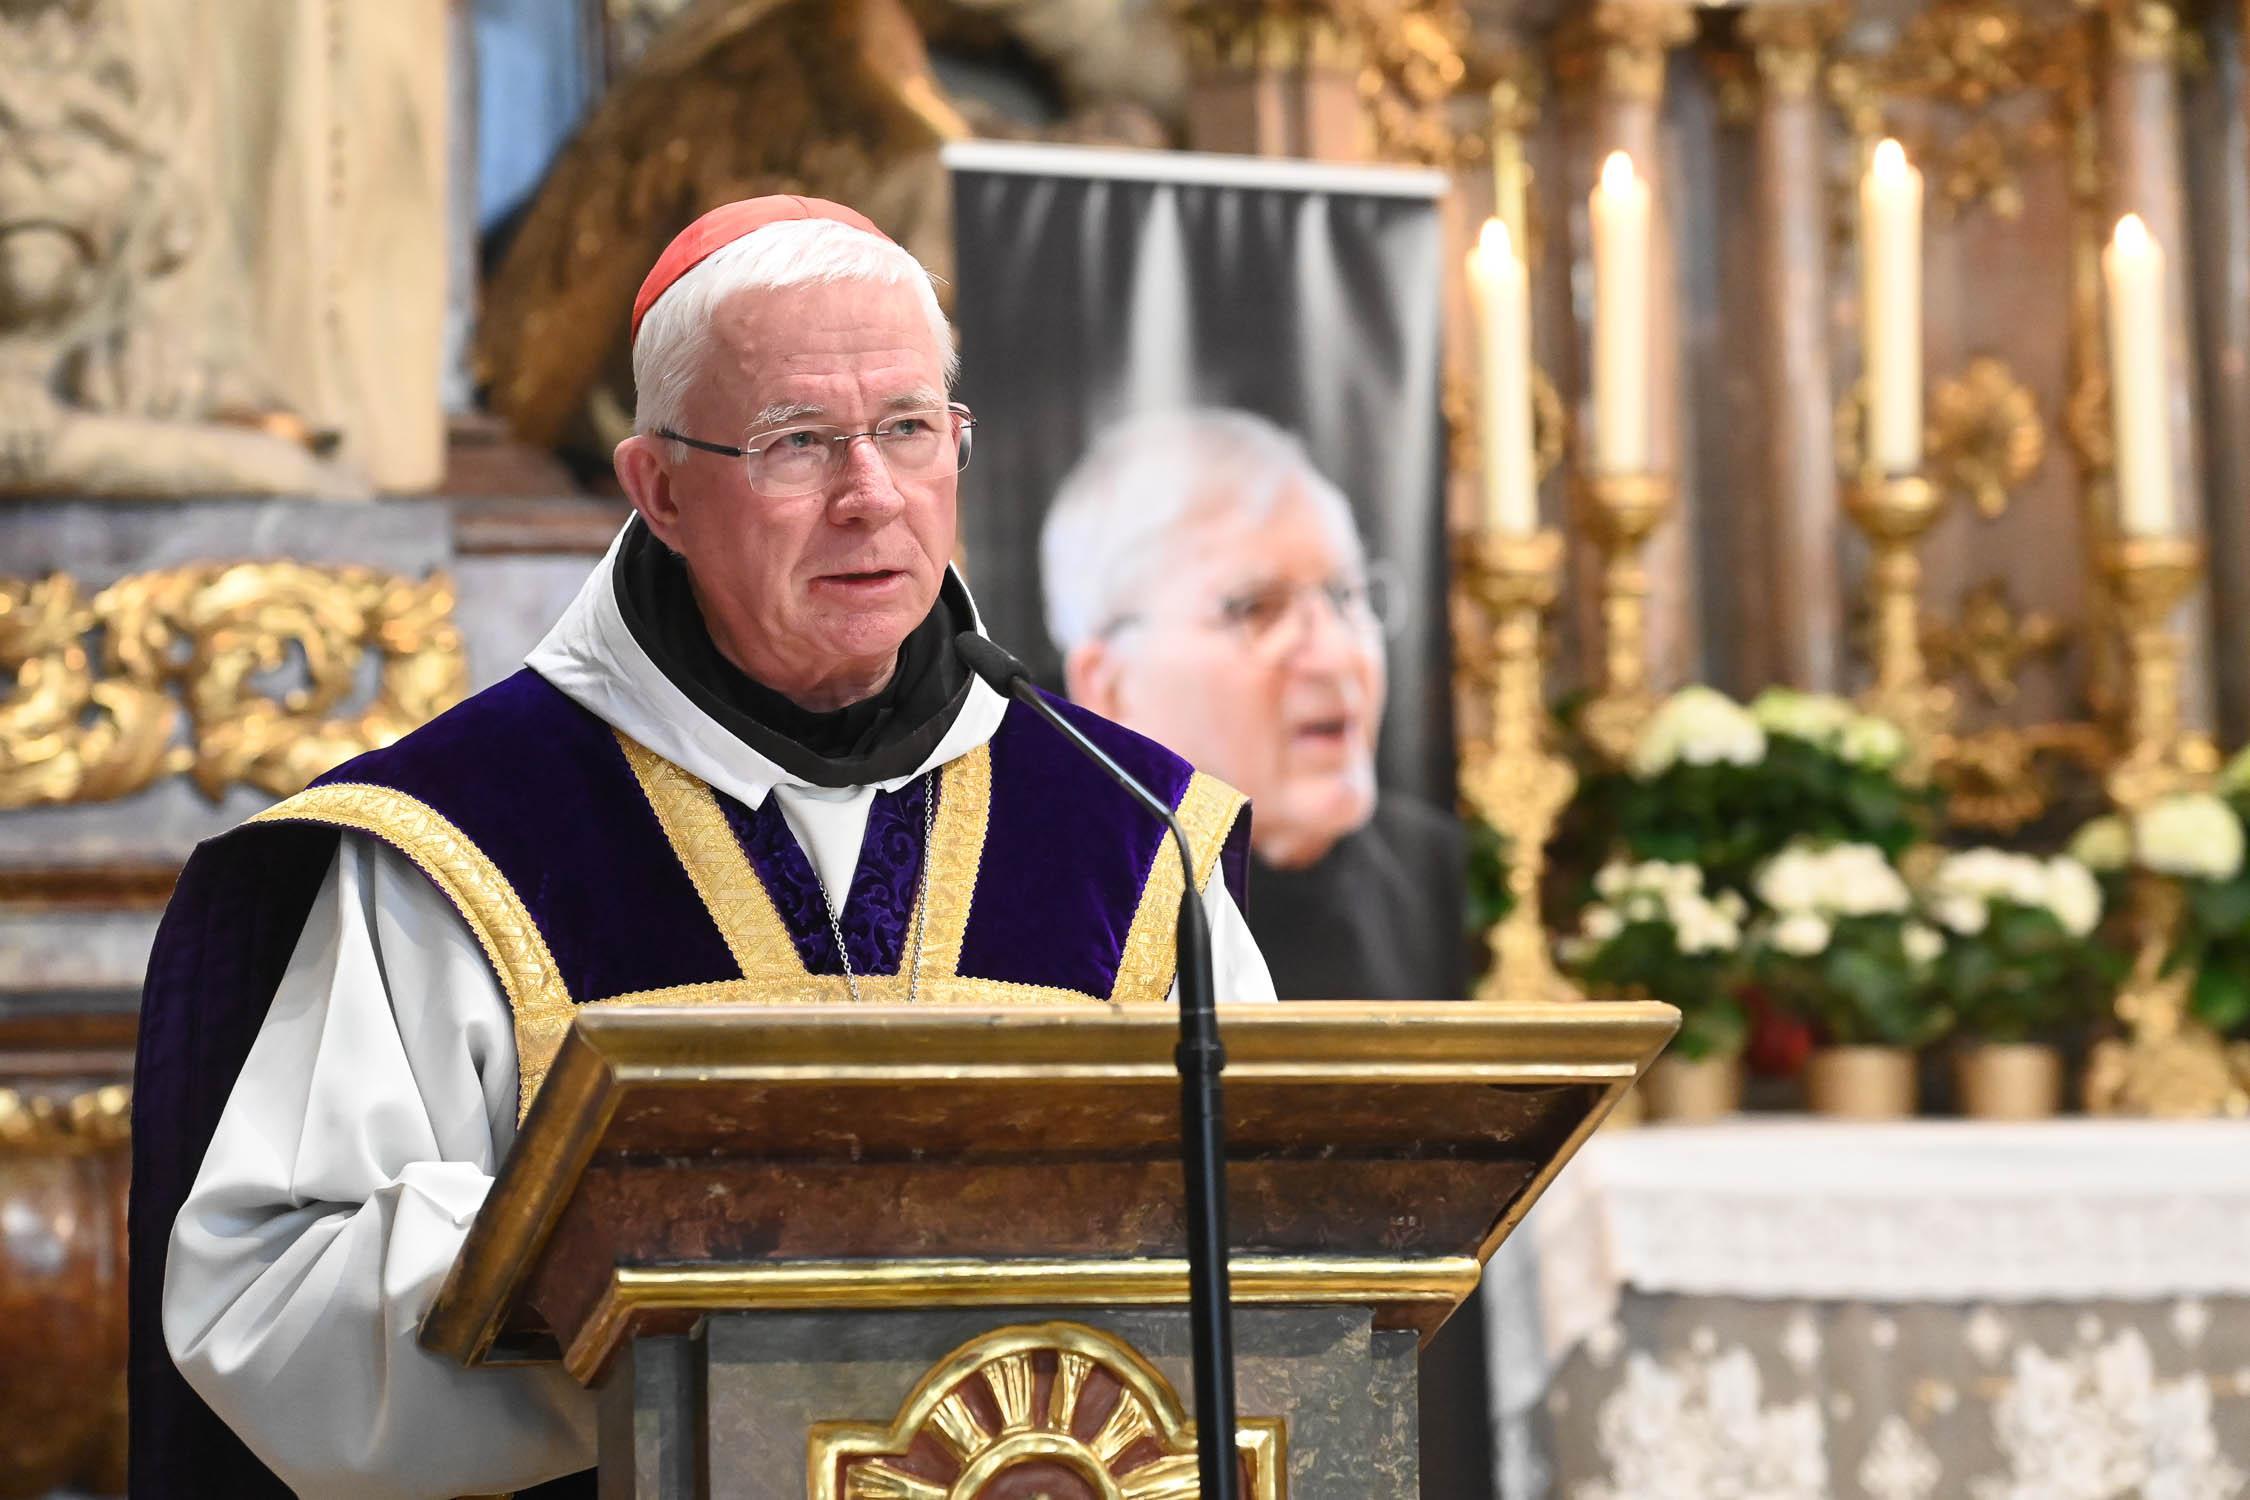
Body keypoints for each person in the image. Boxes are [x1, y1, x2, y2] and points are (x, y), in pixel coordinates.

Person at [130, 197, 1275, 1500]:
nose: (870, 496)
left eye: (909, 429)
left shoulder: (1129, 830)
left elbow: (1280, 1254)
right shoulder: (460, 840)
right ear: (661, 489)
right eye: (798, 443)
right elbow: (277, 1304)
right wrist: (675, 1276)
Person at [1041, 408, 1467, 1003]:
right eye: (1255, 609)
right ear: (1110, 688)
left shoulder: (1452, 879)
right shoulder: (1045, 926)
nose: (1336, 655)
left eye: (1346, 594)